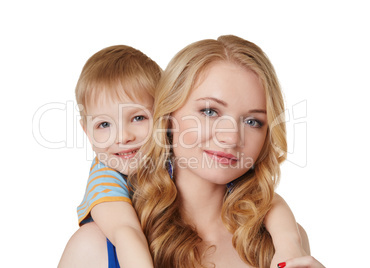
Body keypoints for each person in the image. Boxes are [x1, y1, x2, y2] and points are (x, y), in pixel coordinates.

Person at [59, 36, 325, 268]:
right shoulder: (96, 247)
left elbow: (269, 202)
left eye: (252, 121)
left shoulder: (284, 244)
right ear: (167, 115)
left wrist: (290, 243)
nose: (231, 137)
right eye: (209, 111)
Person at [59, 45, 162, 268]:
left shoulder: (179, 158)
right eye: (104, 124)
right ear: (87, 132)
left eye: (138, 118)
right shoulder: (105, 175)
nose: (123, 137)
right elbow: (126, 232)